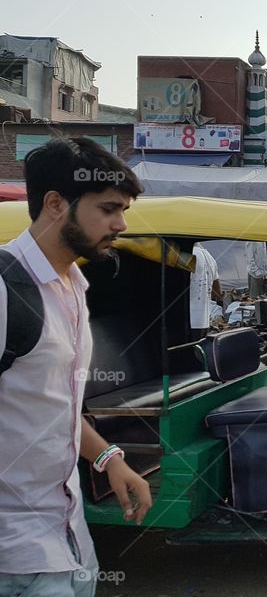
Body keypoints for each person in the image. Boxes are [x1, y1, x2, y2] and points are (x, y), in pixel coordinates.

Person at [0, 138, 153, 596]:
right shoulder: (7, 291)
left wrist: (109, 460)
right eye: (108, 209)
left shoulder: (72, 287)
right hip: (15, 555)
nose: (120, 224)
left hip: (70, 537)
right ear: (54, 204)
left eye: (123, 210)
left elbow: (50, 405)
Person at [190, 242, 222, 332]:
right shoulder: (210, 258)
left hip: (189, 320)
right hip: (204, 320)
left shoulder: (189, 255)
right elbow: (218, 292)